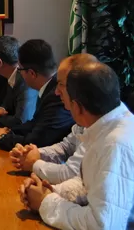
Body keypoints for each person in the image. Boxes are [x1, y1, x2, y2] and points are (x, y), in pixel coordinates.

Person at [19, 62, 134, 230]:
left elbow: (102, 229)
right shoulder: (108, 123)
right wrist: (50, 191)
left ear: (77, 107)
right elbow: (89, 182)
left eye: (62, 88)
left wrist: (46, 202)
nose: (56, 93)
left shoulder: (117, 145)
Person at [9, 53, 98, 184]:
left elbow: (72, 173)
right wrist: (36, 154)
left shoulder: (99, 123)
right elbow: (66, 147)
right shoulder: (84, 117)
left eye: (60, 84)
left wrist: (34, 164)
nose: (56, 91)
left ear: (78, 88)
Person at [0, 40, 74, 151]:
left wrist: (3, 137)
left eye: (20, 69)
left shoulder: (56, 96)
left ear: (32, 73)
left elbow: (37, 142)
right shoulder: (49, 87)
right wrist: (9, 131)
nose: (19, 73)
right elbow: (34, 123)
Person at [0, 36, 37, 127]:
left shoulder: (24, 81)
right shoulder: (13, 76)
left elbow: (21, 120)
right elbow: (7, 103)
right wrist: (0, 109)